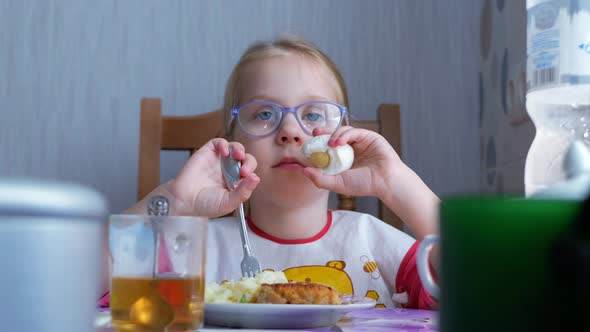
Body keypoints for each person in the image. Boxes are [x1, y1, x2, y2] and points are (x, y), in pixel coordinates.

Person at [104, 36, 440, 309]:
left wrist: (398, 183)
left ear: (343, 141)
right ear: (234, 141)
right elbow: (78, 285)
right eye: (265, 114)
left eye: (313, 115)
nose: (290, 131)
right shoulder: (193, 252)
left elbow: (484, 288)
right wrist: (173, 200)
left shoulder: (378, 245)